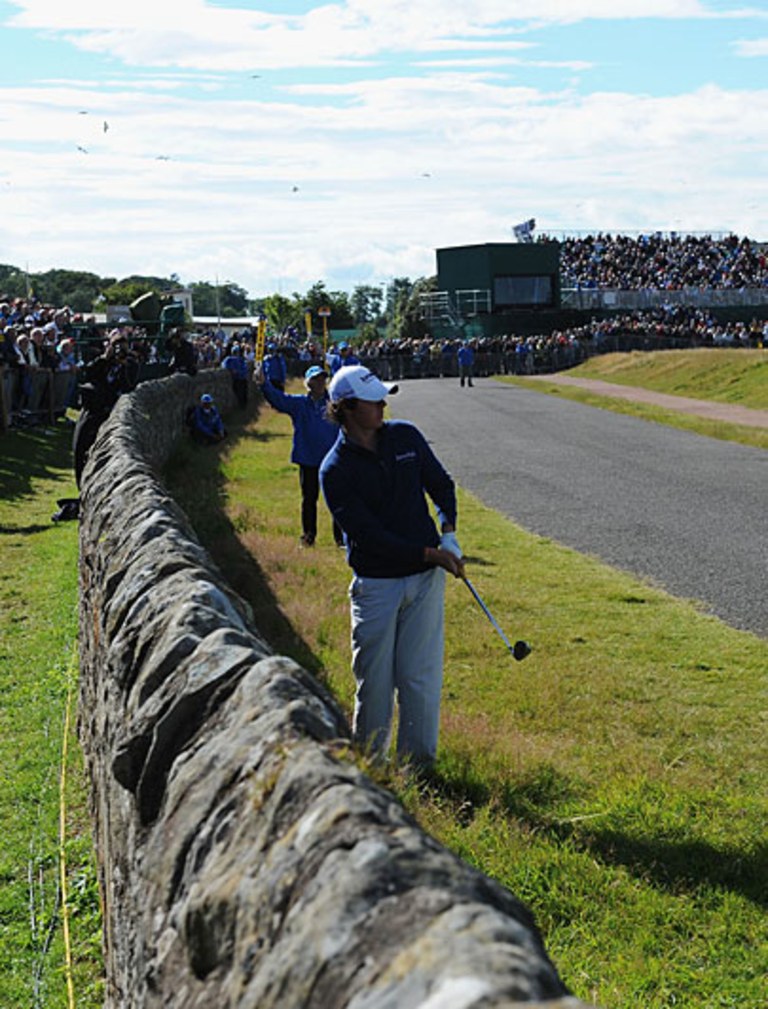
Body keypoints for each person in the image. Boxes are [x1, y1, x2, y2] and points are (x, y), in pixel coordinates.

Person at [319, 364, 464, 767]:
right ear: (347, 407)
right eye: (372, 400)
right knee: (375, 684)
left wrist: (447, 531)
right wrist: (432, 554)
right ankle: (372, 769)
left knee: (419, 678)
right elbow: (369, 537)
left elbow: (441, 484)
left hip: (424, 581)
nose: (383, 404)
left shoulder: (406, 436)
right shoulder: (334, 470)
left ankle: (418, 767)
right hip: (377, 585)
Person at [260, 364, 342, 547]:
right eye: (316, 379)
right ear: (308, 383)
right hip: (308, 458)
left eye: (322, 378)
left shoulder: (335, 402)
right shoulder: (299, 404)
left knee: (338, 498)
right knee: (309, 499)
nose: (320, 382)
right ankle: (308, 535)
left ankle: (340, 538)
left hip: (333, 458)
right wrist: (264, 384)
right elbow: (278, 400)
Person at [72, 331, 138, 488]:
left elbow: (129, 385)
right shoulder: (104, 361)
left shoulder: (131, 363)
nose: (119, 352)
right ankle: (80, 482)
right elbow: (88, 373)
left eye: (122, 348)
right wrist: (104, 359)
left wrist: (124, 365)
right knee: (80, 446)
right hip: (93, 408)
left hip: (111, 410)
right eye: (115, 347)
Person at [221, 342, 250, 408]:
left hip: (242, 378)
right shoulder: (229, 359)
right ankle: (242, 406)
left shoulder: (240, 359)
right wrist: (232, 370)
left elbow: (245, 368)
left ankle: (244, 406)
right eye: (235, 352)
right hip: (237, 379)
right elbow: (223, 365)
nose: (235, 353)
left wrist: (237, 372)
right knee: (240, 393)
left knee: (244, 393)